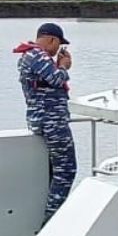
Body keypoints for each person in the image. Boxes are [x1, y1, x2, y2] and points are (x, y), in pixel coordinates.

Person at [13, 23, 76, 222]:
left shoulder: (30, 56)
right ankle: (53, 219)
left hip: (43, 120)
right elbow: (57, 79)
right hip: (52, 121)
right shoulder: (37, 55)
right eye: (58, 44)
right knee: (66, 170)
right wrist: (64, 65)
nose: (58, 50)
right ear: (52, 40)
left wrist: (57, 64)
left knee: (51, 171)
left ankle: (50, 213)